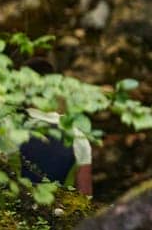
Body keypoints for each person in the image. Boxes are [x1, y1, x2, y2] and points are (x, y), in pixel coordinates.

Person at [12, 56, 94, 197]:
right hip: (58, 214)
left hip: (12, 214)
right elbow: (85, 196)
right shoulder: (77, 136)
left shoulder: (6, 127)